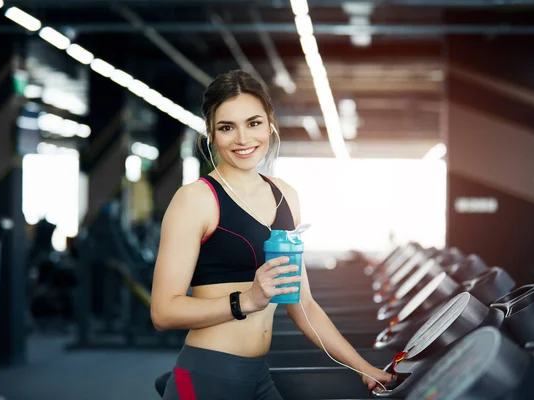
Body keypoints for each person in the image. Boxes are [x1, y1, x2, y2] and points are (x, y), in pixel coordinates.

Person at [151, 70, 392, 400]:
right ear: (211, 133)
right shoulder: (196, 199)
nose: (243, 139)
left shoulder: (286, 196)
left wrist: (362, 366)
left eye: (253, 123)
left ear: (270, 123)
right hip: (207, 376)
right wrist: (246, 300)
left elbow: (302, 304)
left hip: (258, 377)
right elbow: (163, 312)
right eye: (226, 127)